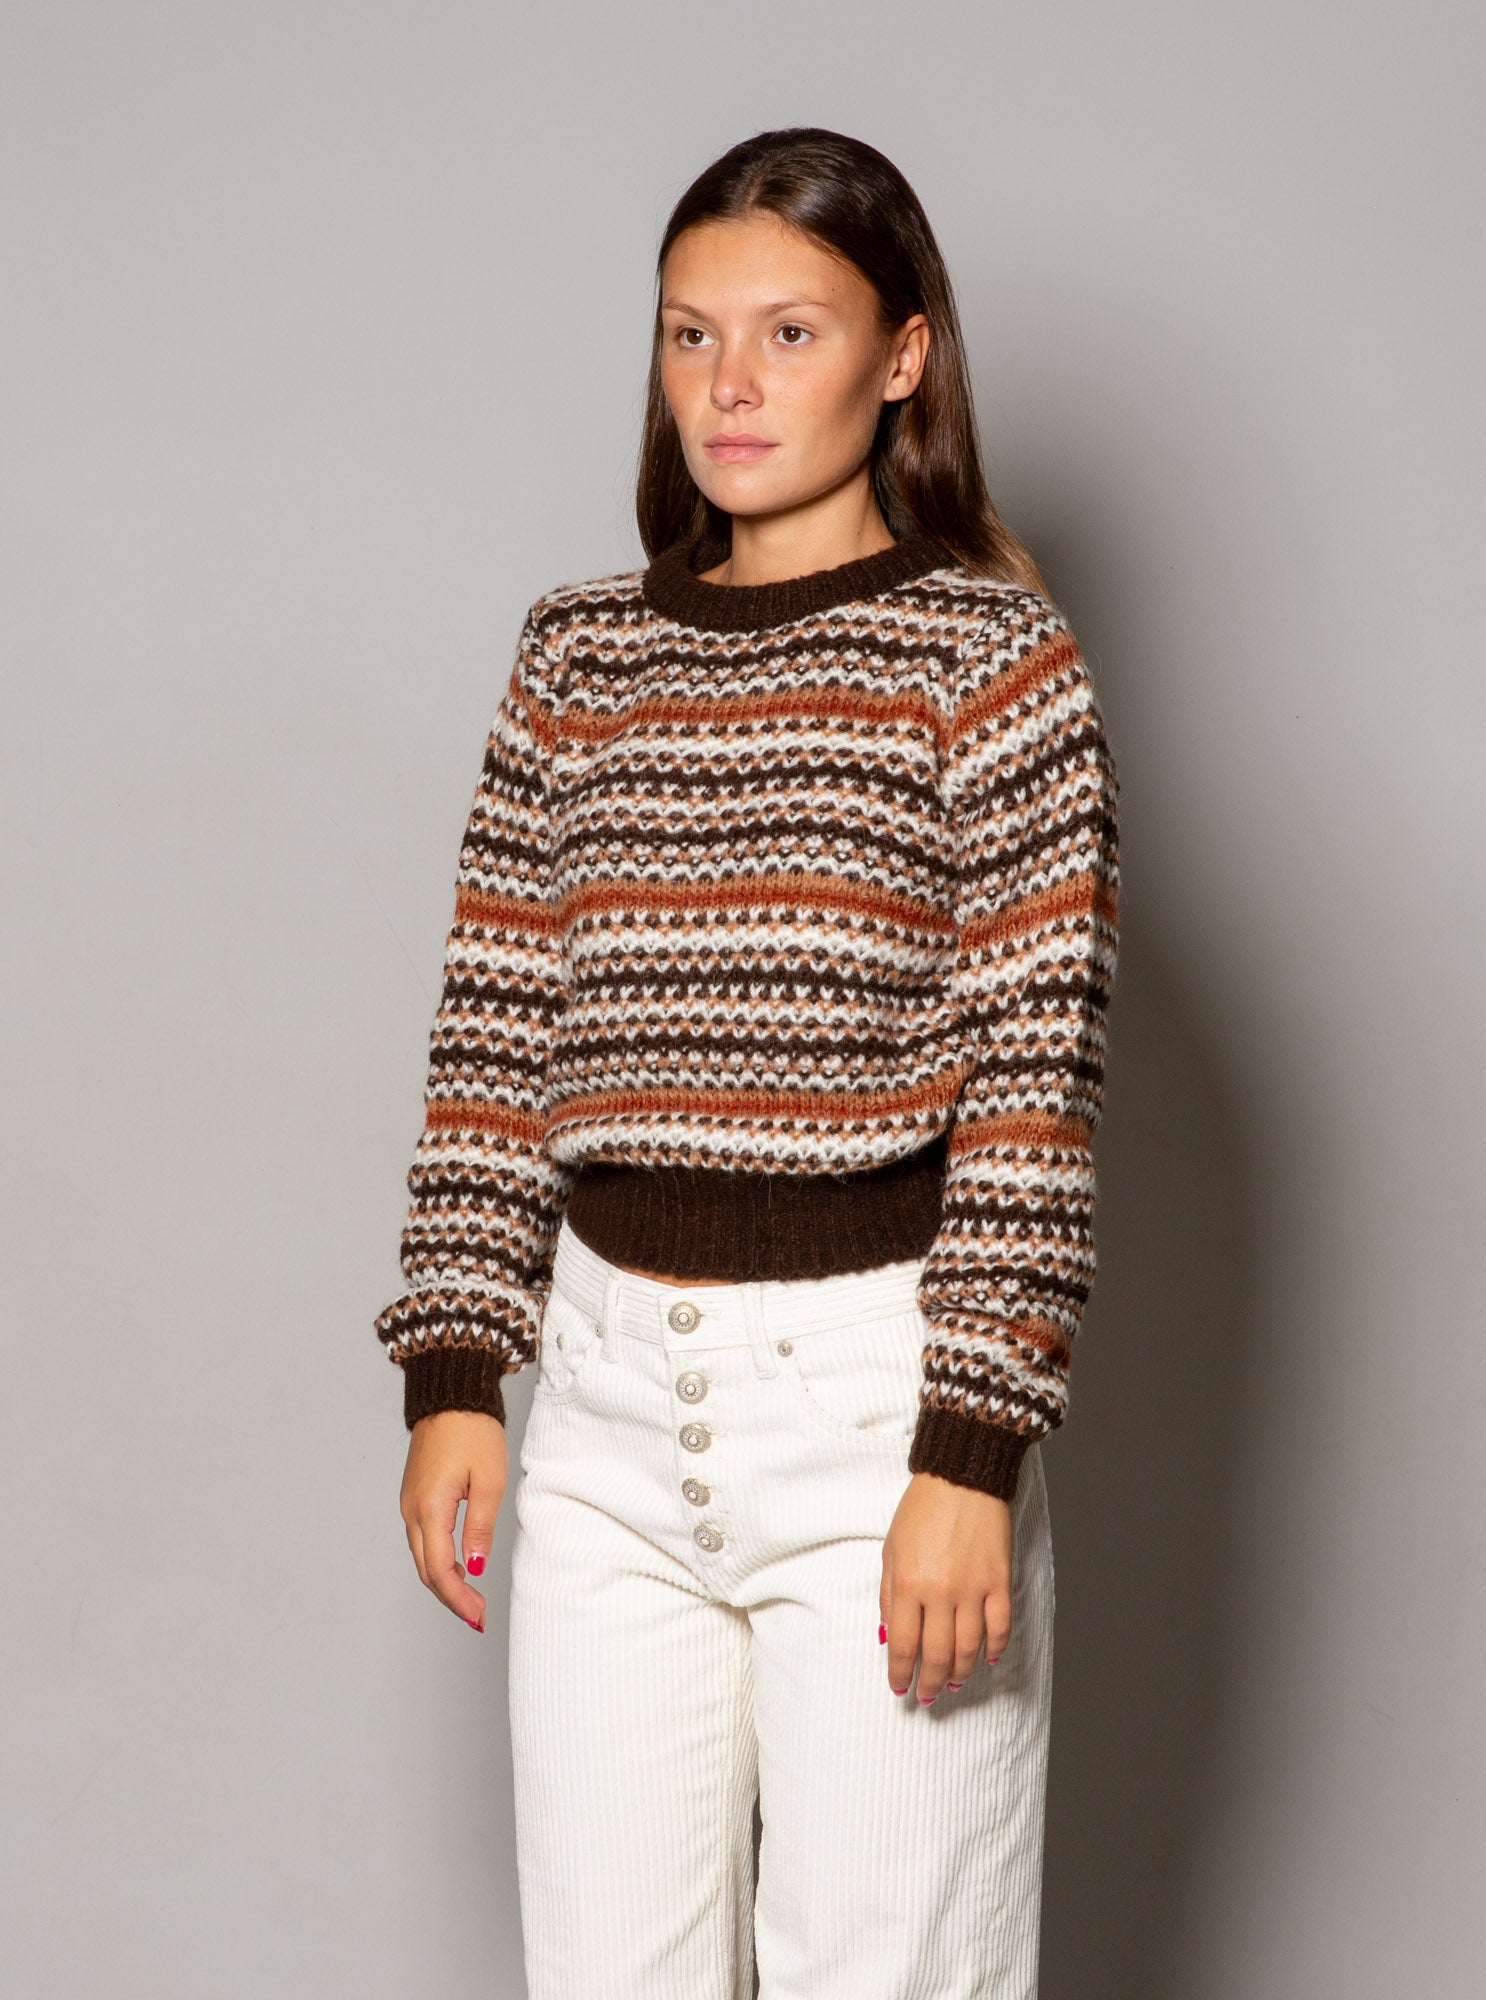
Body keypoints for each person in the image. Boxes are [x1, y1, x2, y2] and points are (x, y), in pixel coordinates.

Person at [375, 125, 1121, 2000]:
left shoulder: (989, 655)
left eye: (792, 333)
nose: (729, 384)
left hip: (878, 1412)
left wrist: (971, 1452)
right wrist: (458, 1371)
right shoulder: (577, 657)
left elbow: (1033, 1080)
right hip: (604, 1416)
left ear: (903, 355)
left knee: (894, 1969)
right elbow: (497, 1024)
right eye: (690, 334)